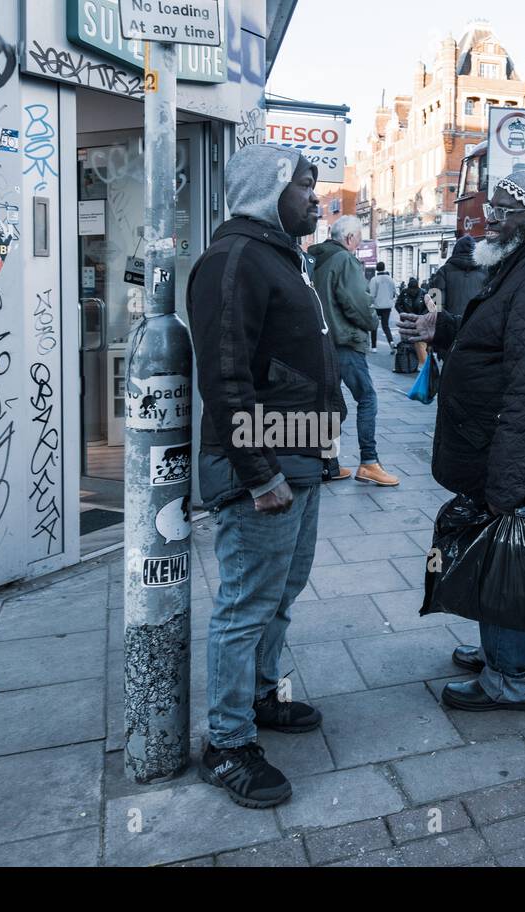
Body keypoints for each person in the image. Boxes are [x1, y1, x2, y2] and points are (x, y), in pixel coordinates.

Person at [398, 169, 525, 711]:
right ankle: (497, 651)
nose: (491, 217)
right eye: (494, 205)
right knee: (496, 551)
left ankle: (510, 676)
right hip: (496, 446)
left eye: (504, 209)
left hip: (518, 454)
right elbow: (500, 340)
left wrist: (507, 481)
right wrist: (445, 330)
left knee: (512, 553)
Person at [187, 143, 346, 807]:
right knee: (246, 602)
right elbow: (226, 378)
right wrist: (258, 475)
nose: (317, 198)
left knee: (281, 592)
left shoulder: (282, 256)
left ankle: (259, 696)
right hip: (263, 469)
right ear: (267, 191)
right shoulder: (233, 261)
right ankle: (226, 742)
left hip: (297, 459)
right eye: (306, 186)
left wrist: (323, 450)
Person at [309, 216, 401, 488]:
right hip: (345, 343)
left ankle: (329, 465)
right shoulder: (345, 260)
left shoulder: (314, 260)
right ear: (349, 238)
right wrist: (373, 322)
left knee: (329, 403)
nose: (358, 244)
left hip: (321, 344)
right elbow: (357, 303)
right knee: (367, 398)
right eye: (358, 239)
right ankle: (369, 462)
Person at [428, 236, 486, 317]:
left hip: (450, 324)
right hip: (477, 323)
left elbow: (435, 304)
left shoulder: (443, 271)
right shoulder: (485, 271)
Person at [396, 276, 429, 370]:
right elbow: (397, 304)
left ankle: (421, 362)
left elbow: (429, 307)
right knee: (408, 342)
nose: (412, 292)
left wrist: (422, 316)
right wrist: (403, 314)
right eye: (410, 289)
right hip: (407, 320)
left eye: (414, 289)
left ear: (417, 288)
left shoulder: (424, 293)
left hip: (420, 320)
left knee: (419, 342)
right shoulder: (404, 292)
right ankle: (409, 362)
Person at [368, 262, 397, 351]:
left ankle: (374, 347)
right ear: (384, 268)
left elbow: (372, 294)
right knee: (385, 326)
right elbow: (394, 293)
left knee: (374, 326)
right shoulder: (390, 279)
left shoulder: (374, 279)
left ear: (376, 269)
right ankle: (391, 342)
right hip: (387, 306)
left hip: (377, 306)